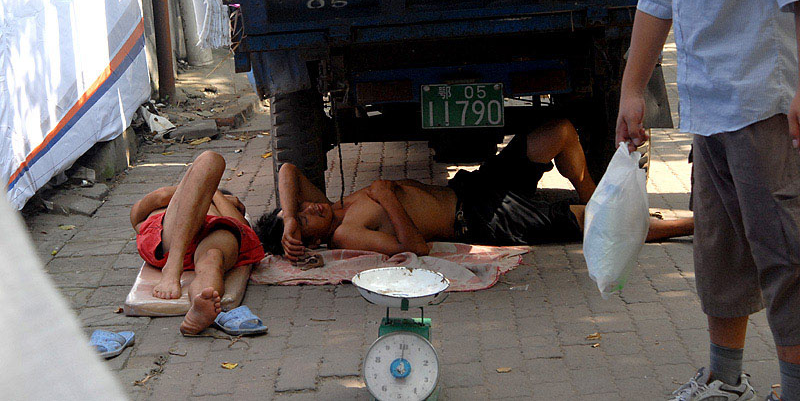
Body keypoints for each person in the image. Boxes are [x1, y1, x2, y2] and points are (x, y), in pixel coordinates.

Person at [617, 0, 800, 400]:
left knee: (784, 255)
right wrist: (631, 88)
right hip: (708, 106)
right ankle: (726, 381)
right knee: (720, 253)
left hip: (762, 103)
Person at [254, 119, 693, 261]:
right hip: (479, 219)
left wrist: (289, 216)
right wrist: (387, 198)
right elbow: (416, 249)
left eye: (304, 210)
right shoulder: (346, 233)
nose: (312, 207)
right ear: (312, 241)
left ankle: (593, 192)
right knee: (598, 225)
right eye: (307, 217)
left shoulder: (330, 205)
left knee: (559, 131)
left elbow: (289, 169)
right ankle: (695, 223)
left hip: (474, 186)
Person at [130, 151, 265, 335]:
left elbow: (242, 228)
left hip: (212, 233)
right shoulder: (171, 201)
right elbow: (157, 199)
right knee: (211, 159)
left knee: (212, 259)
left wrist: (216, 196)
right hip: (171, 237)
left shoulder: (220, 205)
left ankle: (200, 306)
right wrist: (206, 191)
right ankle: (173, 267)